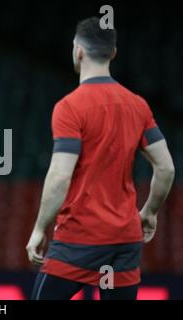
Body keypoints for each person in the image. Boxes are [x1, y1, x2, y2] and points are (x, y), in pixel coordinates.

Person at [26, 17, 175, 300]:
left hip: (78, 239)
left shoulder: (70, 107)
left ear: (78, 51)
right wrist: (150, 212)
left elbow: (59, 176)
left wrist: (39, 229)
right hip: (125, 241)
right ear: (113, 53)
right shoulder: (138, 105)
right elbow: (166, 168)